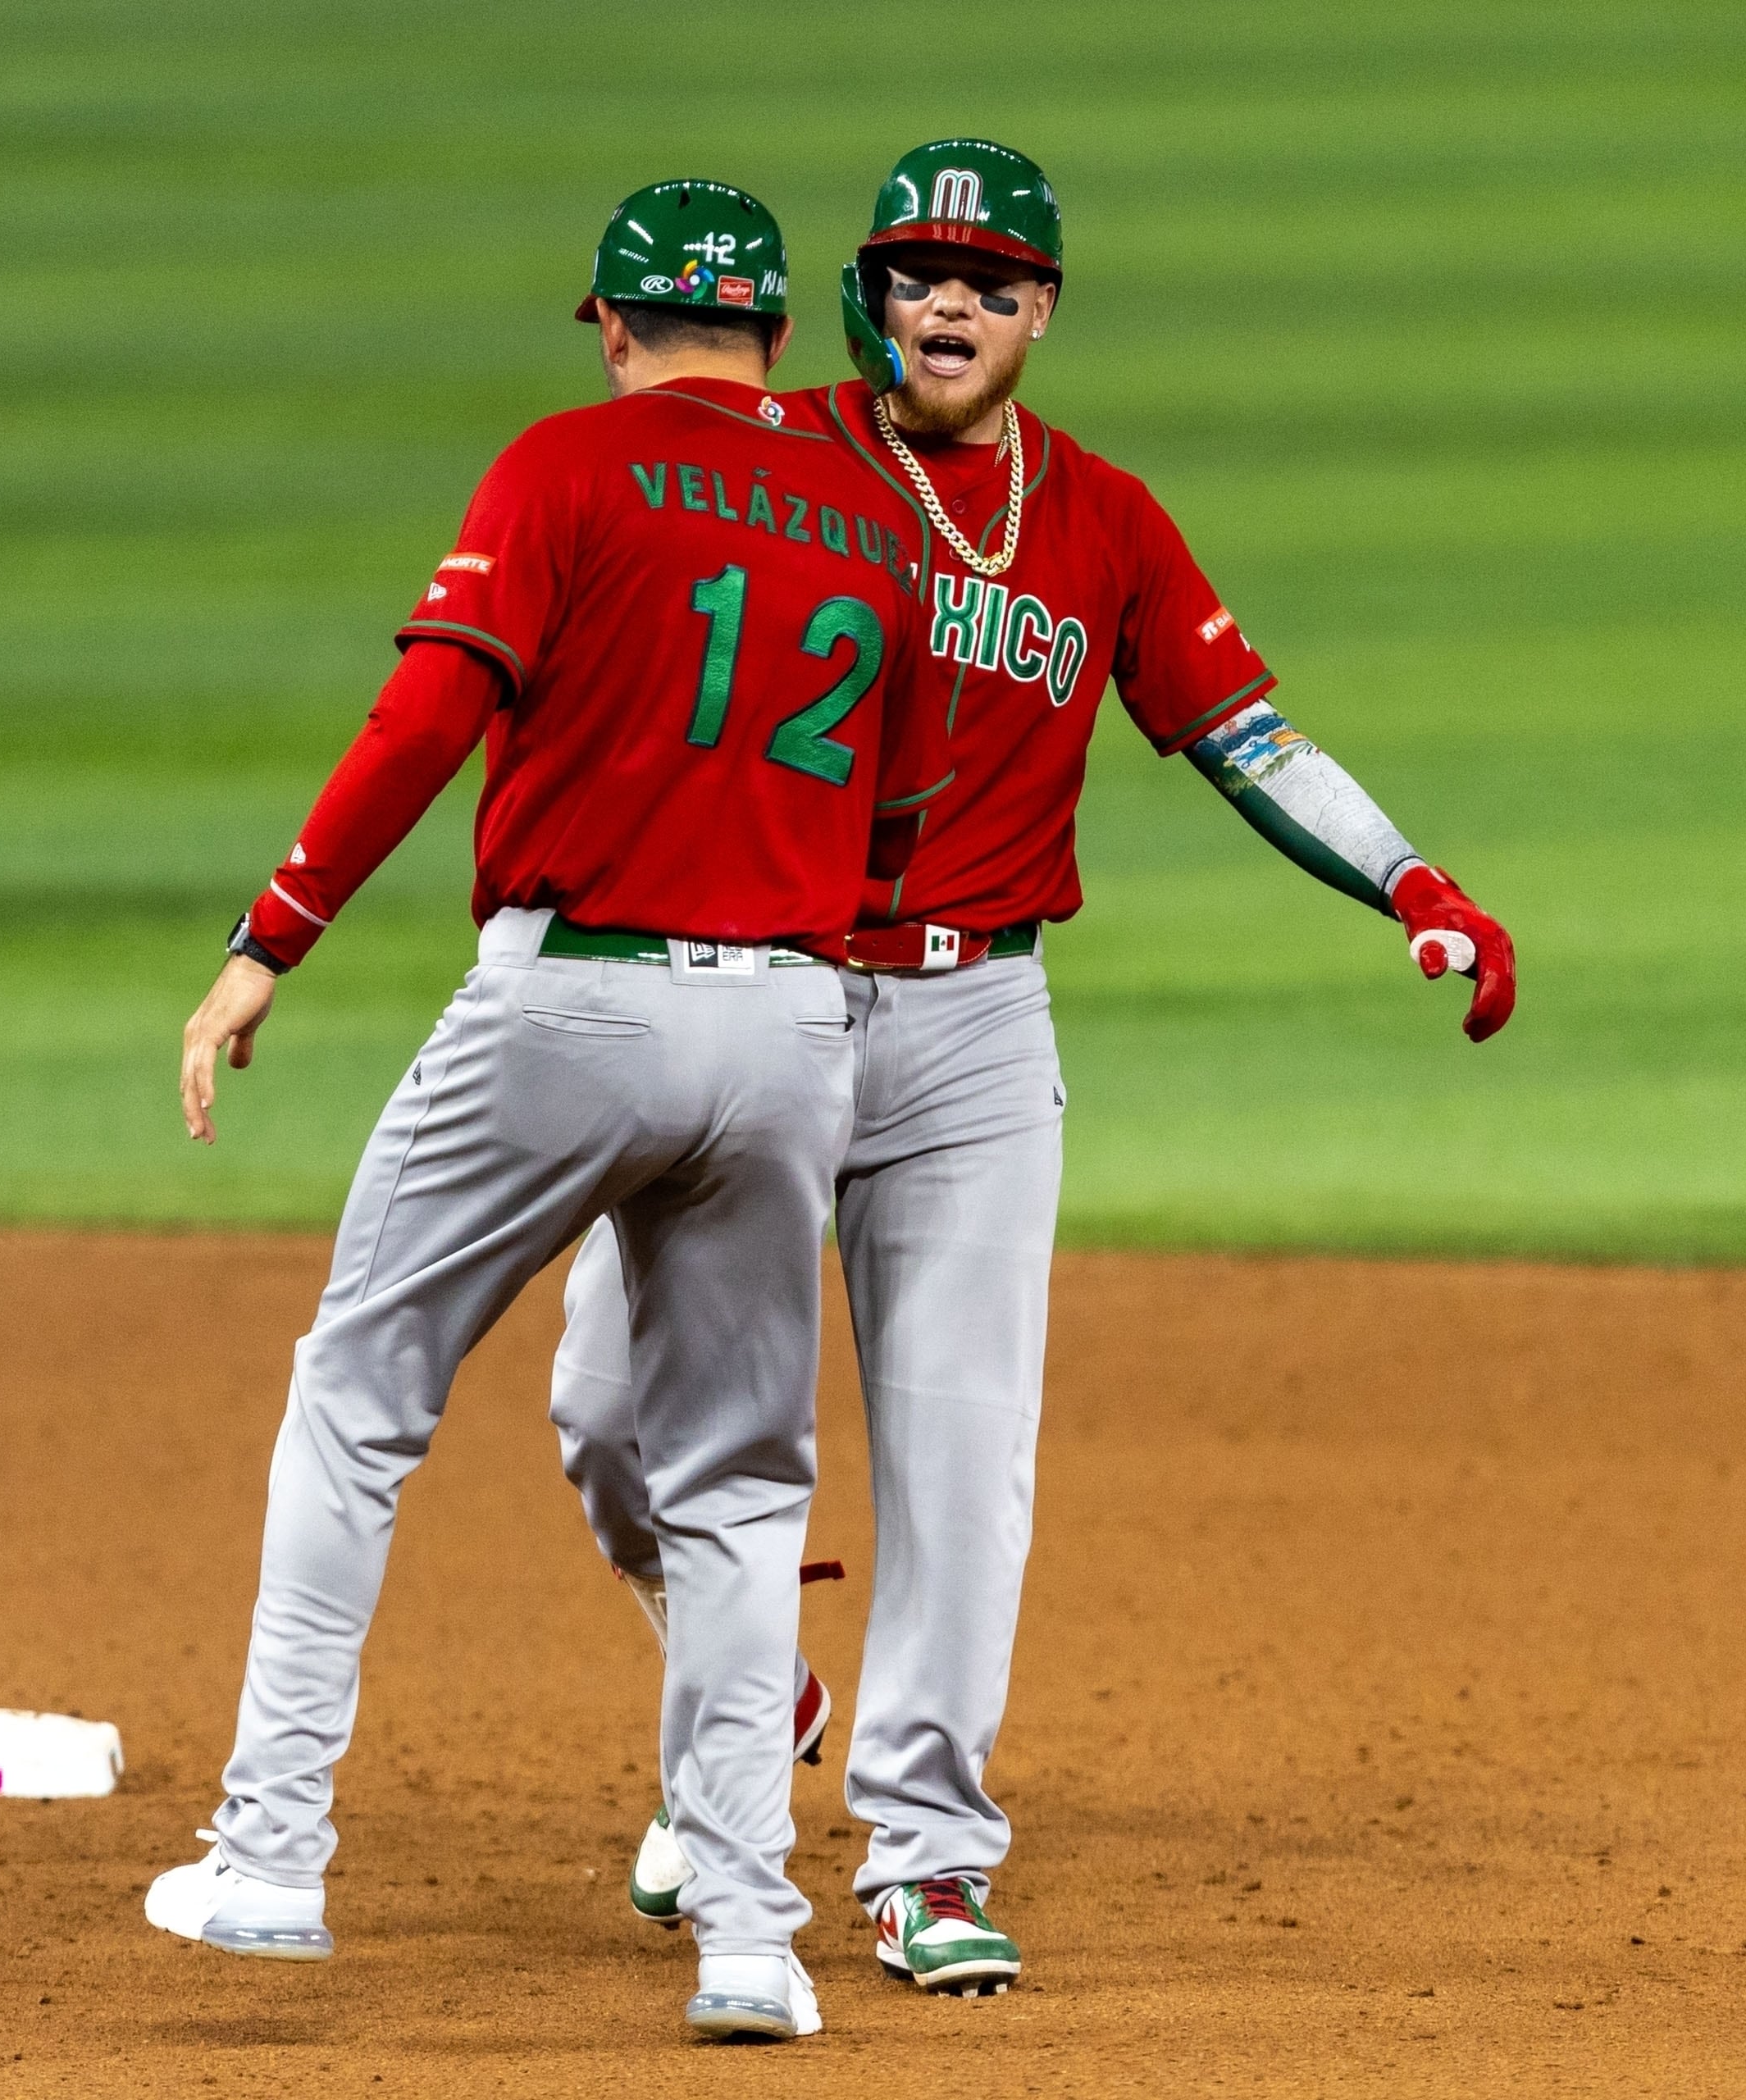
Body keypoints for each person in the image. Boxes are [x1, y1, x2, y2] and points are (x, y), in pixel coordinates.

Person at [549, 138, 1518, 1998]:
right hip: (760, 991)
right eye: (920, 273)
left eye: (991, 283)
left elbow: (1244, 734)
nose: (951, 307)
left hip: (978, 1025)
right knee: (601, 1403)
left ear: (1041, 311)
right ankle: (744, 1675)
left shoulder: (1103, 521)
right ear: (864, 292)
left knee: (959, 1448)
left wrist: (1409, 877)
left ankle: (922, 1850)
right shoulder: (769, 457)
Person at [143, 178, 946, 2044]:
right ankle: (752, 1937)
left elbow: (428, 716)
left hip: (568, 999)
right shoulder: (873, 517)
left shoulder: (567, 468)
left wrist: (269, 942)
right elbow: (898, 832)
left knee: (357, 1387)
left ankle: (269, 1853)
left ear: (611, 323)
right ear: (775, 333)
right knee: (742, 1483)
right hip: (789, 1024)